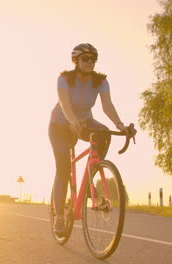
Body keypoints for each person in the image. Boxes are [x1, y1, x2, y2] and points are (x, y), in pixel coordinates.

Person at [48, 43, 136, 237]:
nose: (90, 62)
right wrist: (72, 121)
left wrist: (120, 125)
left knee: (104, 133)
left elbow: (107, 106)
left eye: (93, 59)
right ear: (76, 61)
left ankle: (91, 174)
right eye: (85, 58)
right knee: (63, 168)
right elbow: (64, 103)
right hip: (60, 125)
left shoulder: (101, 81)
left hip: (85, 122)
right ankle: (60, 218)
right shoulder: (64, 78)